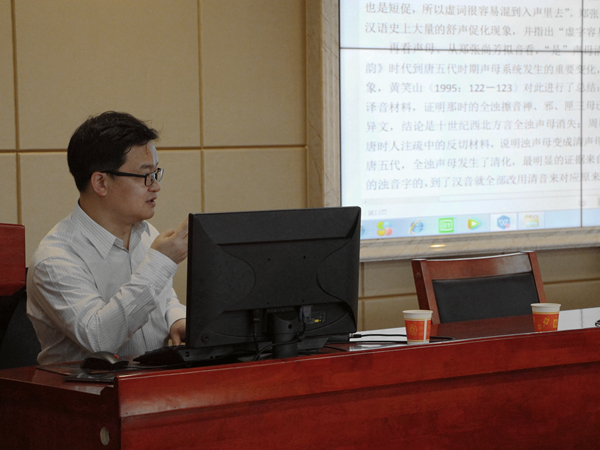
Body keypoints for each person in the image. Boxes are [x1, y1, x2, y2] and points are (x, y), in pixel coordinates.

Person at [27, 111, 188, 365]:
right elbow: (100, 338)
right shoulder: (54, 260)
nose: (156, 186)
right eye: (145, 175)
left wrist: (176, 318)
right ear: (100, 182)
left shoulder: (147, 234)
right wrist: (160, 263)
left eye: (156, 173)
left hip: (154, 383)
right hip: (87, 388)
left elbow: (164, 298)